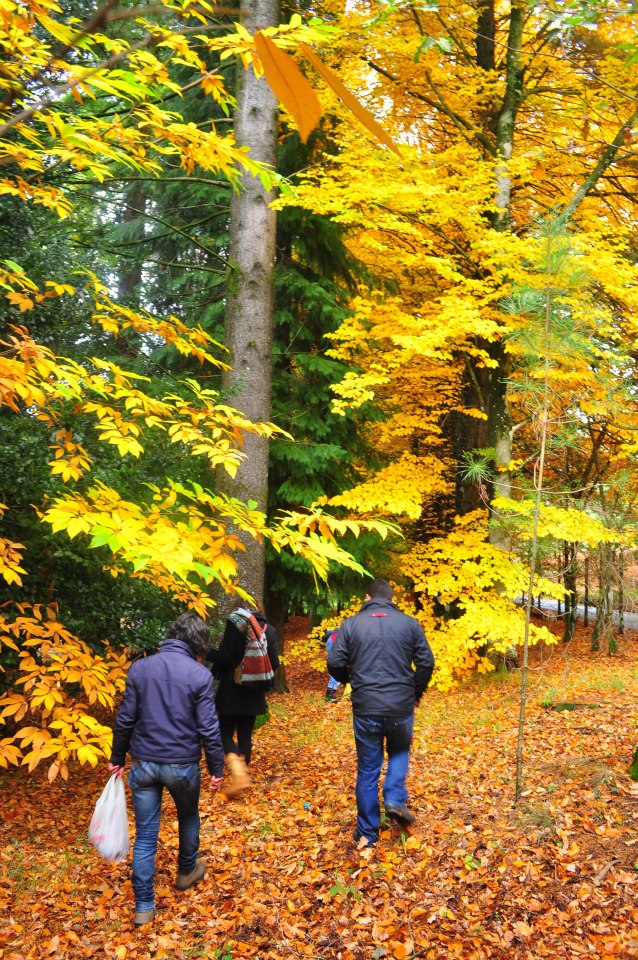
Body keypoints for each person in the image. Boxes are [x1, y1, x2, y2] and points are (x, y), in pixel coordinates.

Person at [109, 612, 225, 928]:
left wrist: (117, 757)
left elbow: (125, 719)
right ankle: (186, 870)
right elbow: (209, 728)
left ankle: (144, 906)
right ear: (198, 645)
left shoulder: (140, 668)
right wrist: (217, 768)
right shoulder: (200, 676)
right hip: (182, 766)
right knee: (188, 816)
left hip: (143, 764)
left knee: (146, 833)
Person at [327, 578, 435, 849]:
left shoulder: (350, 625)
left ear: (367, 598)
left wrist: (350, 680)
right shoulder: (409, 623)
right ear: (392, 599)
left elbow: (334, 661)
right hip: (400, 704)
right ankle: (395, 799)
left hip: (366, 706)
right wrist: (415, 693)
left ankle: (367, 833)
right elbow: (426, 662)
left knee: (367, 768)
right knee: (399, 751)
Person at [207, 601, 279, 794]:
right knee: (245, 735)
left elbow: (224, 658)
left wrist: (204, 652)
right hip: (254, 690)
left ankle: (239, 774)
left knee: (224, 733)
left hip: (232, 689)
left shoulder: (236, 625)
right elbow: (274, 662)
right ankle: (243, 774)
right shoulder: (268, 629)